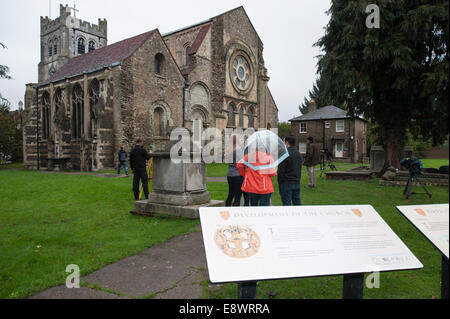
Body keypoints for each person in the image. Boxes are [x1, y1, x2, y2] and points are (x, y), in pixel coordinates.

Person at [277, 136, 302, 205]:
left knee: (286, 204)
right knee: (297, 202)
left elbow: (281, 170)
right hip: (296, 181)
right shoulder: (298, 153)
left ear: (286, 142)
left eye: (283, 142)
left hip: (286, 182)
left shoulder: (285, 153)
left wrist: (280, 181)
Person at [225, 138, 245, 206]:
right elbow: (243, 162)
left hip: (230, 175)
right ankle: (235, 212)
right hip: (238, 175)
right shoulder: (239, 150)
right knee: (237, 196)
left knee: (230, 194)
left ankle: (227, 210)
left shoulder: (228, 150)